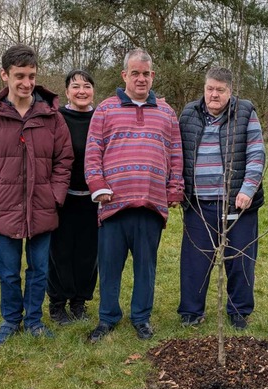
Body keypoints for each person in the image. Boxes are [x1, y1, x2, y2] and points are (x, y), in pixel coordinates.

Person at [0, 44, 74, 345]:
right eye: (20, 76)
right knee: (9, 273)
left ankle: (34, 320)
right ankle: (11, 320)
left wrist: (55, 195)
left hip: (42, 206)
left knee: (39, 270)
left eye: (32, 75)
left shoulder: (52, 117)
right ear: (5, 75)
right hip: (5, 208)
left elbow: (64, 160)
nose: (26, 83)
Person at [84, 48, 184, 342]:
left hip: (151, 204)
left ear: (153, 76)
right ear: (124, 75)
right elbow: (92, 153)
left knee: (146, 267)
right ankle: (108, 318)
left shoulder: (167, 113)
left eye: (146, 74)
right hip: (113, 204)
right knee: (110, 266)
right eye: (135, 73)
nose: (141, 79)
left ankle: (142, 317)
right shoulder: (105, 109)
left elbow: (176, 154)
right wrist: (98, 186)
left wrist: (174, 189)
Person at [178, 67, 266, 330]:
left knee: (240, 260)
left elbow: (256, 154)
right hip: (198, 203)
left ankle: (239, 311)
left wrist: (247, 190)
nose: (213, 95)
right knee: (195, 260)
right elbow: (177, 153)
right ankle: (191, 312)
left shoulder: (245, 112)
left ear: (230, 91)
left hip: (237, 204)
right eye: (209, 89)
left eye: (220, 90)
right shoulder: (189, 114)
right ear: (204, 89)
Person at [47, 70, 99, 325]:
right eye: (75, 86)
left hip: (94, 199)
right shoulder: (56, 118)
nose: (81, 91)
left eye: (86, 86)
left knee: (88, 254)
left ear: (93, 91)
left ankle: (80, 302)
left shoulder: (101, 117)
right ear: (66, 92)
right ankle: (57, 303)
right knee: (60, 252)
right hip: (62, 197)